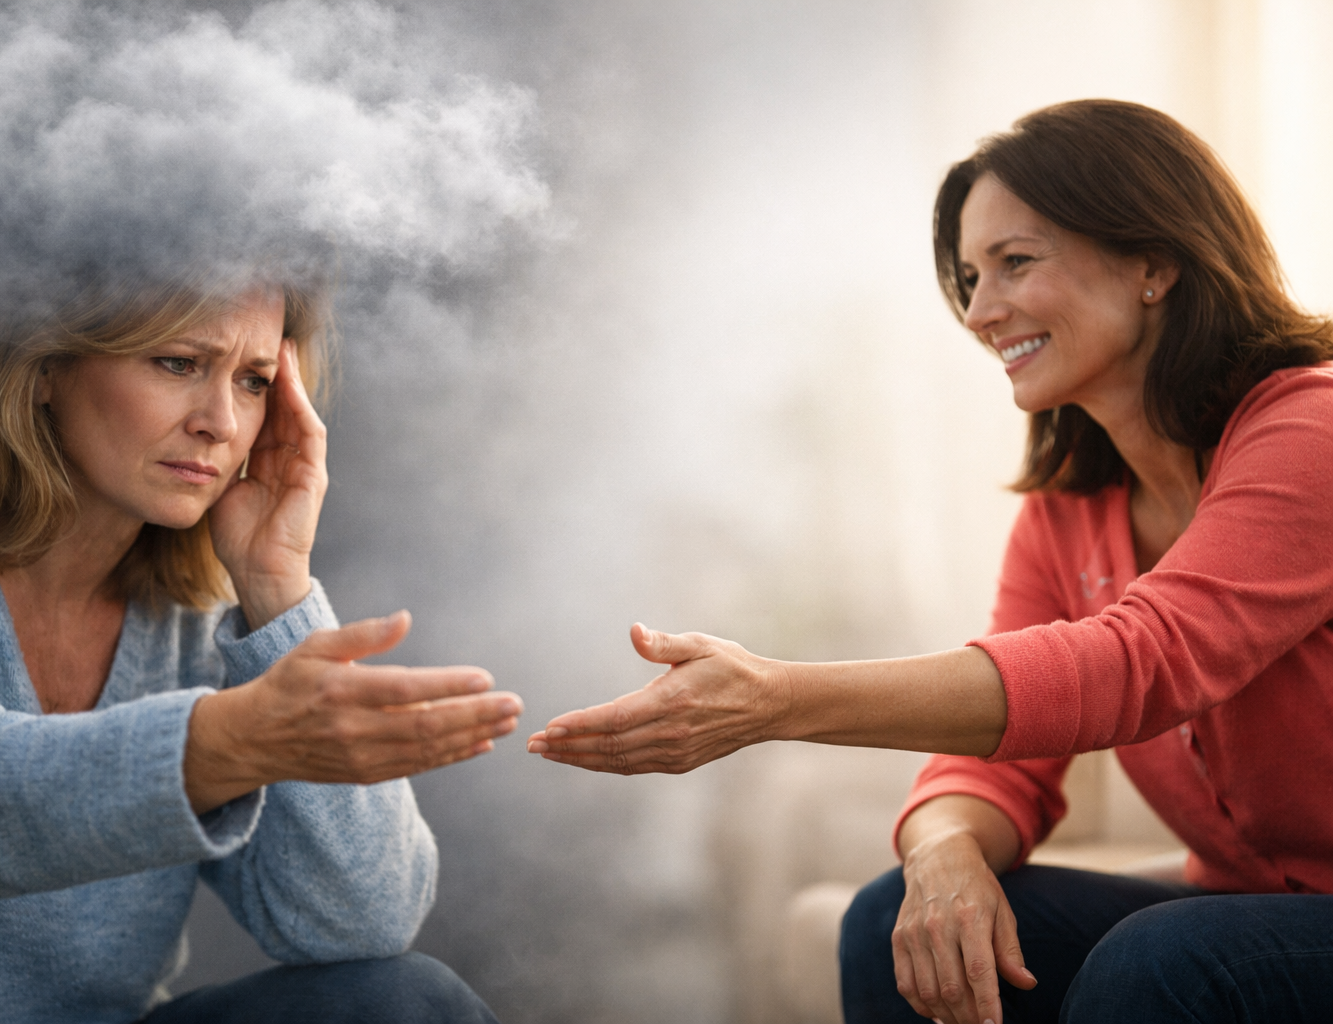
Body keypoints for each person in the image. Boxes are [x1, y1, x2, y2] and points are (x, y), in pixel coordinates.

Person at [526, 99, 1333, 1023]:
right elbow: (1001, 764)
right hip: (1253, 909)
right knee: (882, 919)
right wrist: (943, 848)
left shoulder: (1310, 427)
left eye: (1015, 262)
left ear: (1153, 263)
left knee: (1166, 965)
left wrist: (776, 700)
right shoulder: (1064, 515)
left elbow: (1138, 664)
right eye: (967, 276)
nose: (981, 311)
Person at [0, 273, 522, 1023]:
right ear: (42, 364)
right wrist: (228, 744)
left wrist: (277, 588)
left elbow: (361, 922)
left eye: (253, 382)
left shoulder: (196, 615)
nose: (221, 422)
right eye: (178, 363)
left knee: (405, 999)